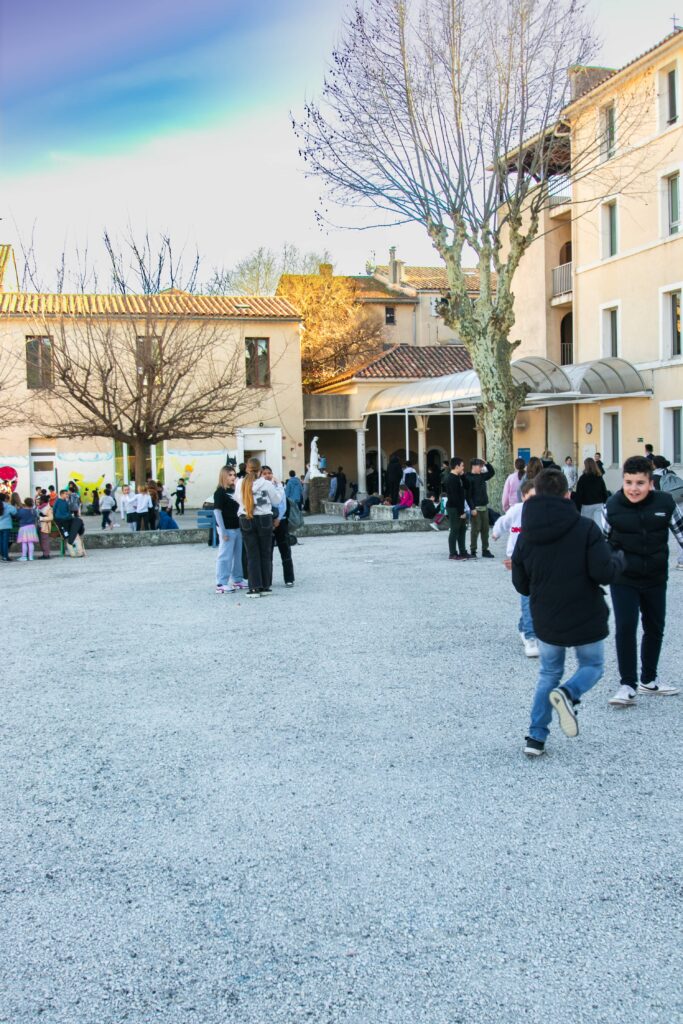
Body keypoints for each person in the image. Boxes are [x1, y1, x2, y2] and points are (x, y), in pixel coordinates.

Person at [512, 468, 624, 757]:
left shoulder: (526, 535)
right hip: (585, 612)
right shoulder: (585, 528)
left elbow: (521, 584)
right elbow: (604, 573)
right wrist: (618, 559)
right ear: (567, 494)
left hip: (547, 616)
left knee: (549, 672)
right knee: (593, 666)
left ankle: (535, 737)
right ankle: (569, 693)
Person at [604, 455, 683, 706]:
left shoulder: (666, 503)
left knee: (655, 627)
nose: (633, 489)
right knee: (626, 627)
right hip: (623, 578)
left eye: (640, 483)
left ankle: (649, 680)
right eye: (628, 482)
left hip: (655, 577)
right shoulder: (612, 505)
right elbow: (599, 544)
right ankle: (627, 684)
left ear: (651, 482)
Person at [492, 479, 538, 657]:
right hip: (517, 558)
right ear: (524, 496)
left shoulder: (542, 513)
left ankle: (524, 625)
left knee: (534, 595)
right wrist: (496, 533)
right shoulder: (517, 510)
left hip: (534, 558)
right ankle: (531, 635)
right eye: (531, 497)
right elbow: (503, 522)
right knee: (527, 594)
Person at [233, 456, 284, 597]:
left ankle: (254, 586)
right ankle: (265, 585)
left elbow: (238, 499)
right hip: (264, 518)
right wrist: (279, 486)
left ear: (247, 468)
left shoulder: (240, 483)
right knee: (265, 552)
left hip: (246, 517)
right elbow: (276, 500)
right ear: (260, 470)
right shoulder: (266, 484)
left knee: (252, 554)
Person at [213, 465, 247, 594]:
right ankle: (221, 582)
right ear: (224, 476)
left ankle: (237, 579)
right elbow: (217, 512)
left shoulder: (235, 491)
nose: (233, 477)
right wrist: (223, 531)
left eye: (234, 475)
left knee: (238, 556)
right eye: (230, 475)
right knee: (225, 556)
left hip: (237, 527)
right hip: (227, 528)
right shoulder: (220, 492)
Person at [262, 465, 295, 587]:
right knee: (267, 552)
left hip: (281, 521)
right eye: (264, 473)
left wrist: (278, 519)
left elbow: (283, 504)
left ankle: (289, 578)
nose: (267, 475)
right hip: (266, 522)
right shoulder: (259, 488)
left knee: (285, 550)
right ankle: (267, 580)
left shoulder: (278, 486)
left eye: (269, 473)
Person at [465, 458, 495, 558]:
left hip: (484, 507)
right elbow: (468, 496)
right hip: (475, 508)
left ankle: (485, 549)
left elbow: (492, 472)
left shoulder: (482, 476)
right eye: (480, 466)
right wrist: (472, 508)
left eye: (482, 466)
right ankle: (473, 550)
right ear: (474, 466)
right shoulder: (468, 477)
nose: (482, 468)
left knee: (485, 530)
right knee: (475, 530)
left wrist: (487, 463)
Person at [444, 457, 468, 560]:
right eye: (462, 466)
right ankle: (453, 553)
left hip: (459, 507)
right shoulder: (451, 479)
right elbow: (454, 497)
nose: (463, 468)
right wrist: (461, 512)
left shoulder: (458, 477)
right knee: (454, 530)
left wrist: (463, 476)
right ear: (457, 466)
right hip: (454, 508)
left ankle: (463, 552)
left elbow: (468, 486)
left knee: (462, 529)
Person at [574, 457, 608, 526]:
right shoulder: (599, 477)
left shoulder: (582, 478)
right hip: (599, 504)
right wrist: (604, 502)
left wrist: (578, 507)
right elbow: (604, 491)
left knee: (586, 526)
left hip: (586, 505)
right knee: (599, 525)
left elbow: (579, 494)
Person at [0, 493, 18, 561]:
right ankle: (5, 556)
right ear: (5, 498)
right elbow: (15, 512)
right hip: (6, 526)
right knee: (5, 541)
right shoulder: (7, 505)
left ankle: (2, 555)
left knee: (0, 541)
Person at [36, 494, 53, 558]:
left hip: (45, 526)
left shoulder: (48, 508)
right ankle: (44, 554)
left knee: (45, 540)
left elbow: (51, 518)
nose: (39, 501)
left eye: (40, 500)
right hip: (40, 526)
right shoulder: (39, 507)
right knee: (41, 541)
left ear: (43, 500)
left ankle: (46, 554)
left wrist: (41, 518)